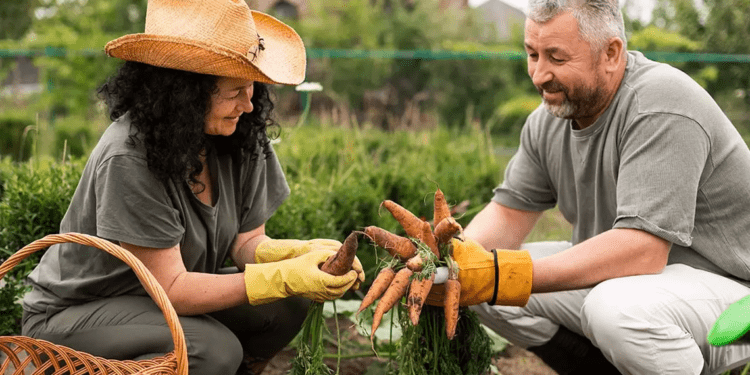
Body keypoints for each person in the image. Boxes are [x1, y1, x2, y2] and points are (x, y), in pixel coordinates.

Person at [20, 0, 364, 374]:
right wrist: (280, 277)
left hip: (155, 304)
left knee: (286, 305)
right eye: (234, 92)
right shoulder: (131, 156)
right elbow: (172, 288)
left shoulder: (239, 136)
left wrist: (297, 256)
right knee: (213, 350)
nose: (248, 105)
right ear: (184, 93)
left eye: (252, 88)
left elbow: (245, 244)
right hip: (78, 316)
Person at [427, 0, 750, 374]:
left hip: (731, 289)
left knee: (614, 310)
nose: (538, 74)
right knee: (476, 288)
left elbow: (642, 252)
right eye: (532, 54)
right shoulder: (547, 121)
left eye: (557, 58)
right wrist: (449, 262)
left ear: (611, 53)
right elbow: (507, 214)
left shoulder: (660, 104)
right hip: (642, 285)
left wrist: (501, 275)